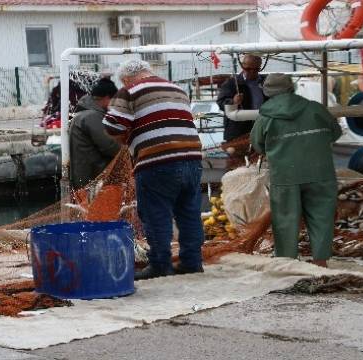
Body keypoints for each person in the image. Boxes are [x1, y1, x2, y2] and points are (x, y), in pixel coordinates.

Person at [103, 59, 204, 280]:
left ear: (126, 78)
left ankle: (160, 264)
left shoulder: (129, 91)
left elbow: (113, 125)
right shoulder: (176, 88)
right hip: (192, 158)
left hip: (157, 161)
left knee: (156, 214)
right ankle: (192, 262)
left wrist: (125, 138)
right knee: (189, 213)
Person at [251, 73, 341, 268]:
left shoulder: (265, 117)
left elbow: (257, 145)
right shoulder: (316, 109)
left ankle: (287, 262)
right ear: (292, 87)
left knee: (285, 219)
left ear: (267, 92)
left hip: (285, 175)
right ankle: (320, 261)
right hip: (320, 172)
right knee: (322, 216)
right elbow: (335, 133)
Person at [70, 78, 121, 190]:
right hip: (91, 178)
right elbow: (111, 146)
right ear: (107, 98)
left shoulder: (85, 113)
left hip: (87, 177)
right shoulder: (91, 117)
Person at [217, 54, 266, 141]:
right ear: (242, 66)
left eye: (256, 69)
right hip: (238, 132)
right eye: (248, 69)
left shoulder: (265, 82)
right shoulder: (231, 83)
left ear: (260, 68)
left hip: (261, 128)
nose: (251, 72)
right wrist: (233, 102)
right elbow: (221, 102)